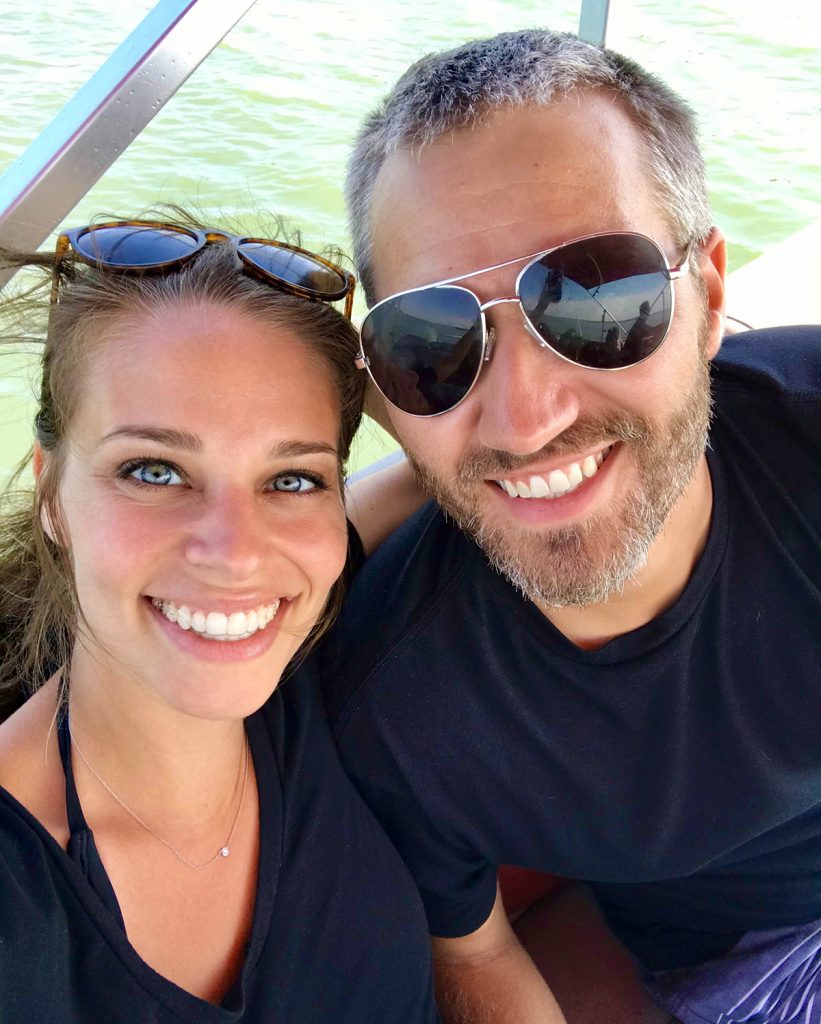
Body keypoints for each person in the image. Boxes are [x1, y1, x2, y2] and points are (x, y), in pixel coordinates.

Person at [323, 28, 821, 1024]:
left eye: (598, 301)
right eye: (432, 343)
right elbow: (475, 960)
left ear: (709, 295)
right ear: (383, 389)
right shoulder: (400, 703)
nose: (524, 417)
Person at [0, 218, 441, 1022]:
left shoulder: (299, 629)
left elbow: (445, 458)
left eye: (292, 478)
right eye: (155, 470)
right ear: (53, 494)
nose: (237, 555)